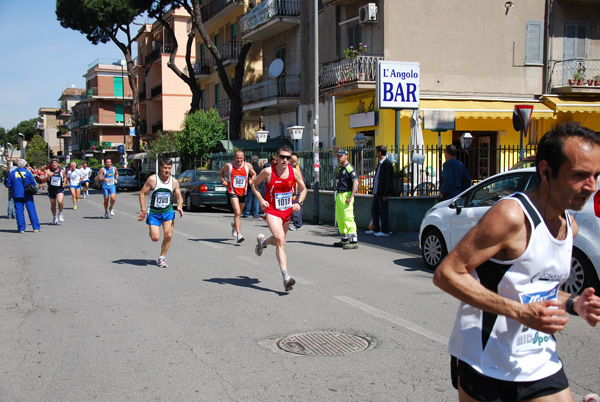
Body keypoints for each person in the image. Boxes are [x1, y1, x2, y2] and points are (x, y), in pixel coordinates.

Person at [433, 122, 600, 402]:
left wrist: (574, 303)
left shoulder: (569, 226)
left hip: (538, 359)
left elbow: (534, 286)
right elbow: (447, 274)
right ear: (546, 171)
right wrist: (521, 312)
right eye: (580, 175)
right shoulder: (512, 216)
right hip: (485, 360)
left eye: (596, 175)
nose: (591, 186)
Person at [251, 145, 307, 292]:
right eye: (282, 157)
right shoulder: (268, 171)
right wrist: (261, 199)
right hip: (272, 211)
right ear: (276, 157)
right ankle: (286, 277)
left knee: (278, 241)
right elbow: (253, 184)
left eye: (287, 157)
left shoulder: (294, 172)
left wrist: (299, 203)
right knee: (281, 240)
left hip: (287, 212)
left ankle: (263, 242)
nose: (284, 160)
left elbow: (304, 189)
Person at [137, 156, 184, 268]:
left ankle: (162, 257)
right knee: (155, 238)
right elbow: (142, 193)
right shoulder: (153, 180)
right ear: (160, 168)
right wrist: (143, 210)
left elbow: (179, 196)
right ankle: (152, 230)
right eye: (165, 168)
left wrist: (180, 205)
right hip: (154, 212)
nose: (167, 170)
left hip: (167, 211)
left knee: (168, 234)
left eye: (169, 168)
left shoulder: (174, 181)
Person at [219, 150, 257, 243]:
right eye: (237, 158)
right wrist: (223, 180)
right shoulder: (229, 165)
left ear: (243, 158)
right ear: (234, 158)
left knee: (239, 214)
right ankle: (239, 234)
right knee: (237, 211)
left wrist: (252, 180)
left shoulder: (248, 166)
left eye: (241, 158)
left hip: (243, 192)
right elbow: (221, 171)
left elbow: (254, 174)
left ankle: (234, 225)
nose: (239, 160)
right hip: (232, 191)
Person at [333, 148, 359, 249]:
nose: (339, 157)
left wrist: (351, 196)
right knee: (340, 218)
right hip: (340, 195)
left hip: (346, 195)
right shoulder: (342, 168)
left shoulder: (349, 168)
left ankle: (353, 241)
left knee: (348, 217)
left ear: (346, 156)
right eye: (338, 156)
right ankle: (344, 239)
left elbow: (355, 182)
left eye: (341, 155)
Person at [6, 159, 41, 233]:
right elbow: (33, 183)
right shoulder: (27, 173)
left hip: (17, 194)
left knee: (19, 212)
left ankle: (21, 228)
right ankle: (36, 227)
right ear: (25, 165)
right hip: (27, 194)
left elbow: (8, 184)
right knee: (31, 210)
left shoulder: (12, 173)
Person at [365, 145, 393, 237]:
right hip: (377, 192)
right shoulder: (380, 164)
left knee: (383, 211)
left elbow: (388, 180)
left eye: (376, 151)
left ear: (380, 152)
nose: (376, 153)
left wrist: (386, 193)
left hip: (382, 192)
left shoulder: (387, 164)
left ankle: (384, 231)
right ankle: (376, 228)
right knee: (375, 210)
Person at [41, 158, 66, 225]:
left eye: (55, 163)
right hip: (51, 189)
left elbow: (65, 177)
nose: (54, 164)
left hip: (59, 189)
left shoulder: (62, 171)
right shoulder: (48, 171)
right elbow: (43, 180)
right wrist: (48, 176)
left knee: (60, 201)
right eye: (53, 163)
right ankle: (54, 217)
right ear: (51, 164)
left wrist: (64, 182)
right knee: (53, 205)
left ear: (58, 164)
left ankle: (60, 213)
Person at [289, 154, 306, 231]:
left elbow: (300, 179)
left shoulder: (297, 168)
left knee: (296, 207)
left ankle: (298, 224)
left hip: (297, 190)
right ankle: (297, 223)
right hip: (297, 190)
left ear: (291, 160)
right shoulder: (296, 167)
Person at [242, 155, 261, 219]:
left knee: (249, 200)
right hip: (258, 186)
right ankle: (256, 214)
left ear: (252, 161)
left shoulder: (250, 168)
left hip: (250, 186)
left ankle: (246, 213)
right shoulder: (260, 169)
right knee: (256, 200)